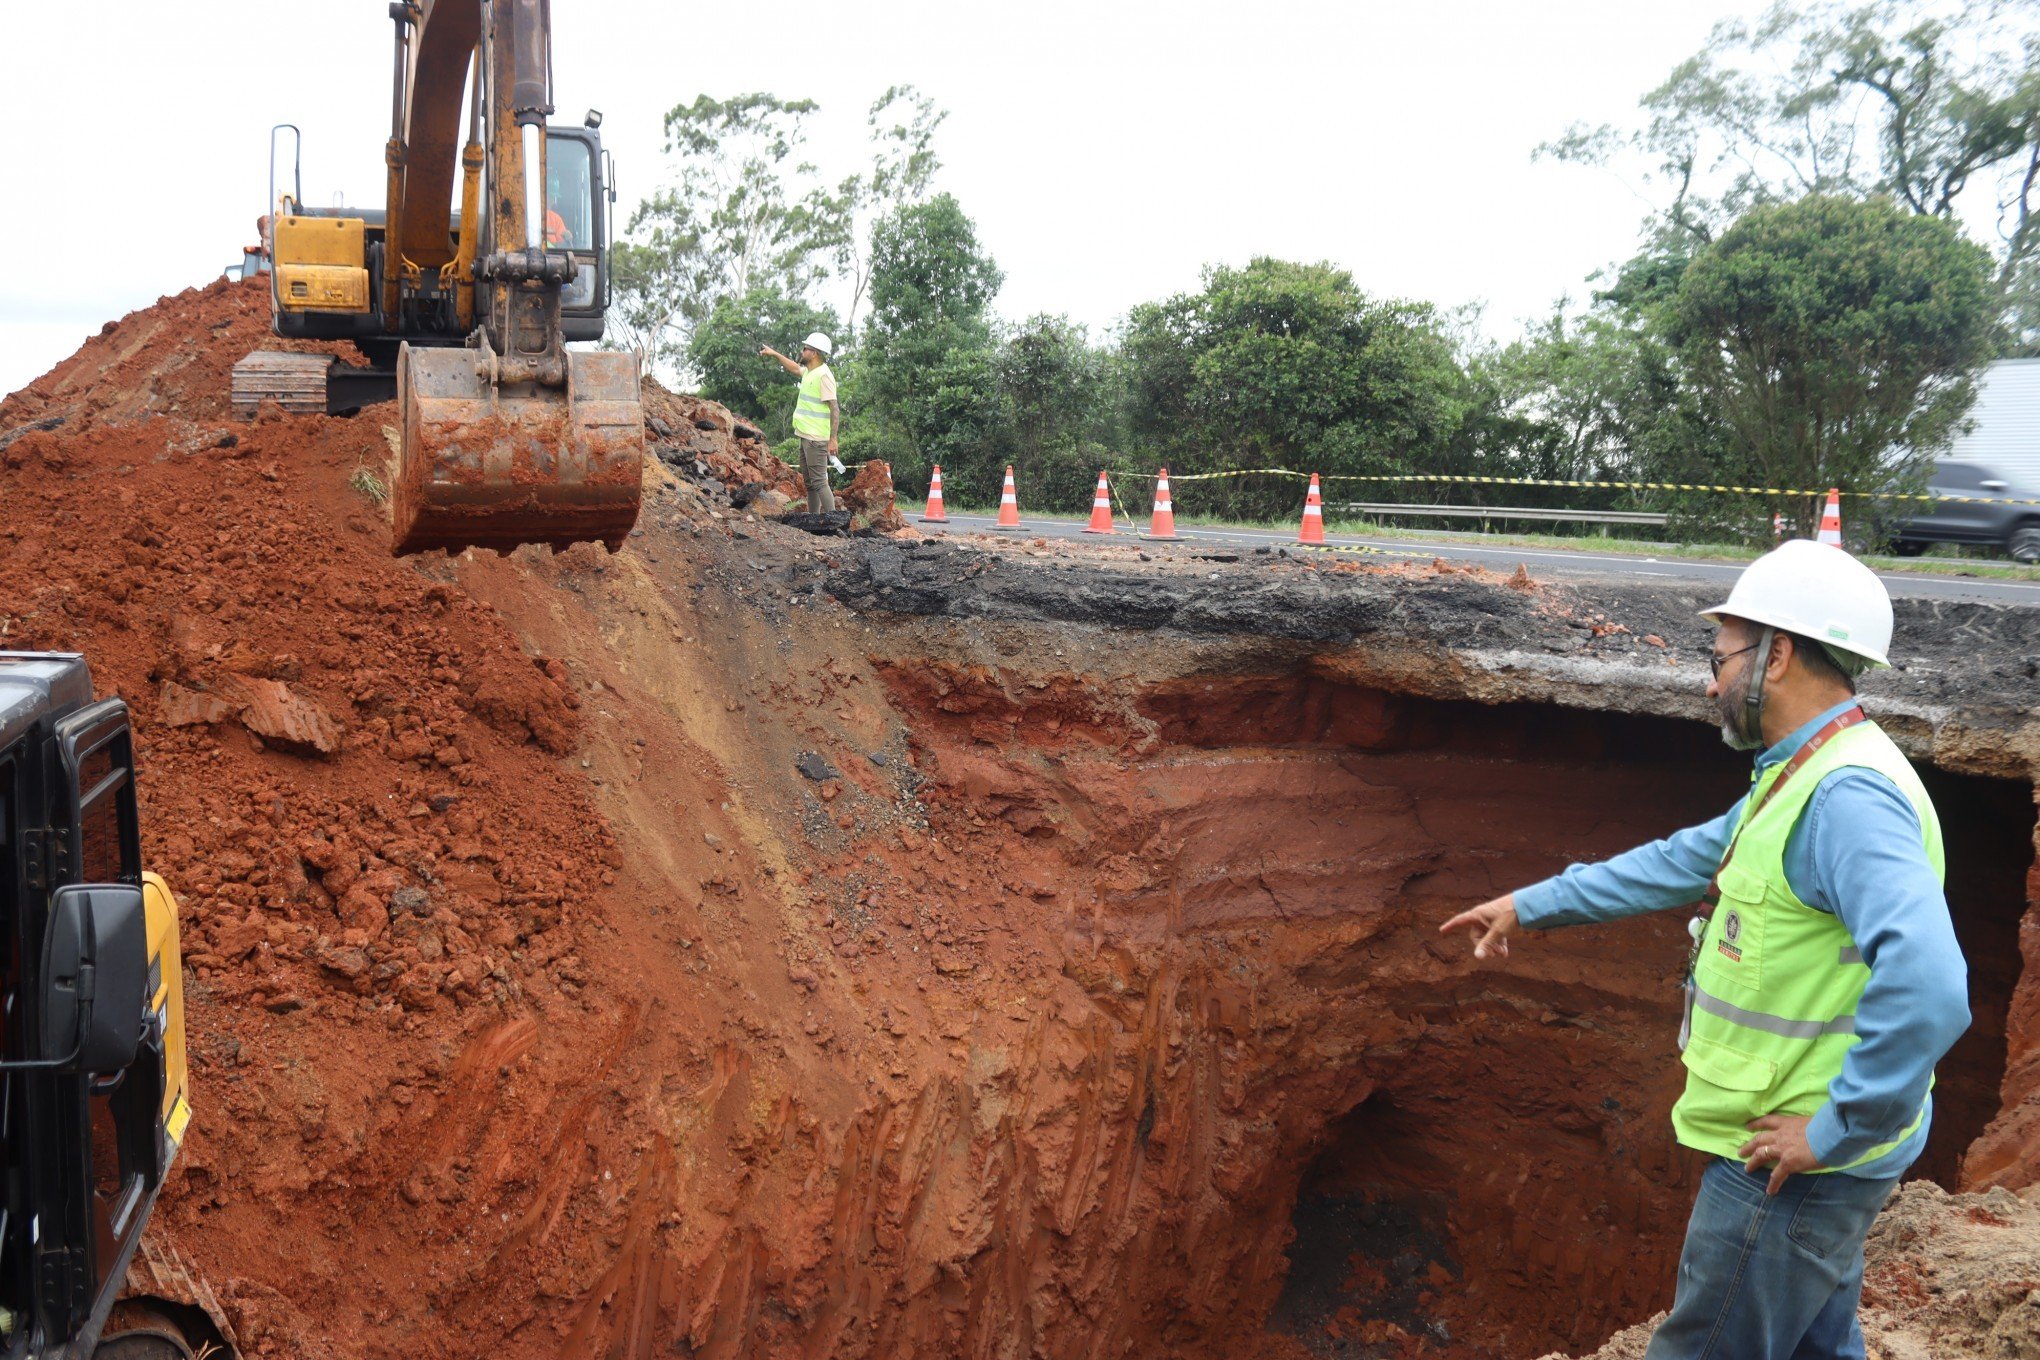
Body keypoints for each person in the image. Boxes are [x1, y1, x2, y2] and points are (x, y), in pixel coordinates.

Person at [1440, 539, 1969, 1360]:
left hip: (1788, 1167)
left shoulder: (1847, 797)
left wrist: (1833, 1131)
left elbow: (1932, 985)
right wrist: (1532, 904)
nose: (1711, 679)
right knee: (1816, 1347)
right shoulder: (1807, 771)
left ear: (1778, 655)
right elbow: (1686, 858)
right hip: (1808, 1160)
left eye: (1719, 656)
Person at [759, 332, 839, 512]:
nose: (802, 351)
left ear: (815, 353)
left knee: (819, 482)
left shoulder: (824, 375)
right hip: (805, 435)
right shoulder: (810, 372)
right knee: (810, 483)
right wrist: (775, 353)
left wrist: (833, 439)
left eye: (805, 349)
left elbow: (835, 408)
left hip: (816, 438)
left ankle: (834, 522)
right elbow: (795, 368)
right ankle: (814, 519)